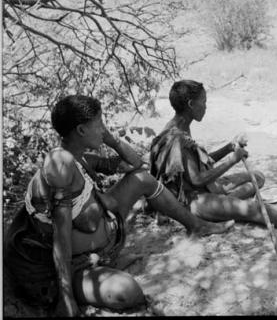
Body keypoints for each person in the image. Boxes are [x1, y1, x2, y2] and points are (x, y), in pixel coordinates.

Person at [4, 95, 233, 317]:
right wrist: (67, 298)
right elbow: (61, 237)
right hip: (72, 266)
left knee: (141, 178)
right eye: (99, 124)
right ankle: (80, 284)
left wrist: (112, 140)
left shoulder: (80, 156)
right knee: (127, 292)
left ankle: (196, 225)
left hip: (103, 237)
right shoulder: (61, 165)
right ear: (81, 131)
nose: (104, 130)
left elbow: (135, 164)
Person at [149, 80, 277, 232]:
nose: (206, 106)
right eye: (203, 101)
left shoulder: (176, 129)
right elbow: (196, 179)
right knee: (258, 209)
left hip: (200, 193)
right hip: (196, 202)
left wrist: (229, 147)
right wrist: (233, 159)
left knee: (257, 178)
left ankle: (228, 206)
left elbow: (194, 165)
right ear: (192, 104)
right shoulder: (179, 139)